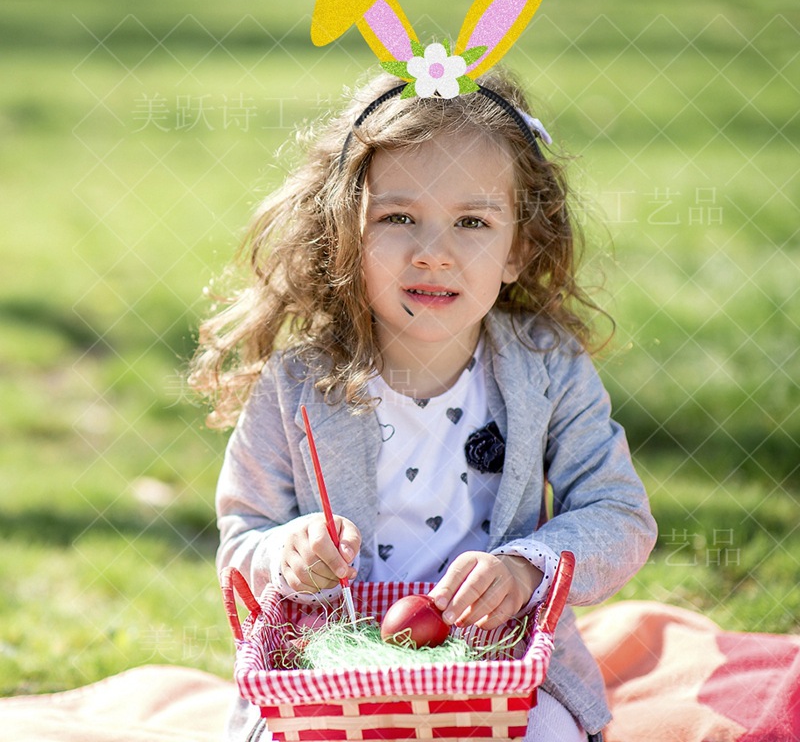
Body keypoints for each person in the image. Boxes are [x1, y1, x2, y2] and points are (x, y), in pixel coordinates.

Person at [190, 68, 658, 741]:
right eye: (398, 217)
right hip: (332, 675)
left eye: (472, 221)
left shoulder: (546, 368)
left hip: (502, 671)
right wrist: (286, 556)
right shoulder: (298, 383)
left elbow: (619, 514)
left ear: (517, 249)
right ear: (345, 235)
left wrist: (526, 567)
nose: (433, 253)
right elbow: (243, 540)